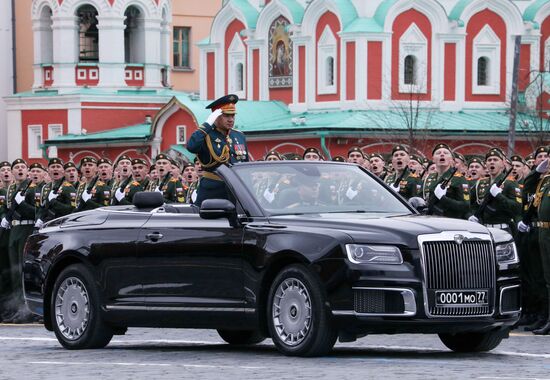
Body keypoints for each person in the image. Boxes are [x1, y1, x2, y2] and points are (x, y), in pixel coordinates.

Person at [187, 94, 249, 206]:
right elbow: (192, 146)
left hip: (236, 190)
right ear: (215, 117)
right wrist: (207, 124)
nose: (231, 120)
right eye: (226, 116)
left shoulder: (239, 136)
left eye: (232, 116)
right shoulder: (206, 135)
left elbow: (245, 164)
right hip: (212, 189)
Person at [517, 146, 550, 331]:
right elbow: (529, 189)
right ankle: (543, 315)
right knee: (541, 277)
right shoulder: (544, 180)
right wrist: (537, 170)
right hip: (539, 232)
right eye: (544, 157)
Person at [2, 159, 36, 322]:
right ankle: (17, 308)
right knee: (14, 272)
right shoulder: (10, 190)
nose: (20, 170)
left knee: (23, 270)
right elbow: (6, 210)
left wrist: (24, 206)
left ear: (27, 171)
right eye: (17, 168)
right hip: (14, 231)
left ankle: (27, 309)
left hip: (26, 229)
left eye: (23, 167)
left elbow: (37, 212)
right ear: (13, 172)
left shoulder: (32, 189)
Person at [468, 149, 522, 234]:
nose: (492, 162)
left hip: (502, 229)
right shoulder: (481, 183)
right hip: (483, 229)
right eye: (489, 160)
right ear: (486, 164)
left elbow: (517, 208)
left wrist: (498, 195)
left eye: (495, 160)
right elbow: (472, 204)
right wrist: (472, 215)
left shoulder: (510, 182)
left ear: (502, 163)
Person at [423, 143, 470, 219]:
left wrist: (443, 198)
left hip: (450, 222)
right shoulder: (429, 178)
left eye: (446, 153)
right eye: (438, 153)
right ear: (433, 159)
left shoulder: (459, 179)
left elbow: (465, 206)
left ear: (451, 159)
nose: (442, 154)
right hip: (430, 221)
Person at [35, 158, 76, 228]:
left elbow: (71, 210)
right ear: (48, 170)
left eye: (58, 166)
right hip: (46, 225)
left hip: (61, 225)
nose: (55, 169)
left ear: (63, 171)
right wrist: (39, 219)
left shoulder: (68, 187)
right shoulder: (45, 187)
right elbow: (41, 208)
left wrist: (54, 202)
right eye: (53, 167)